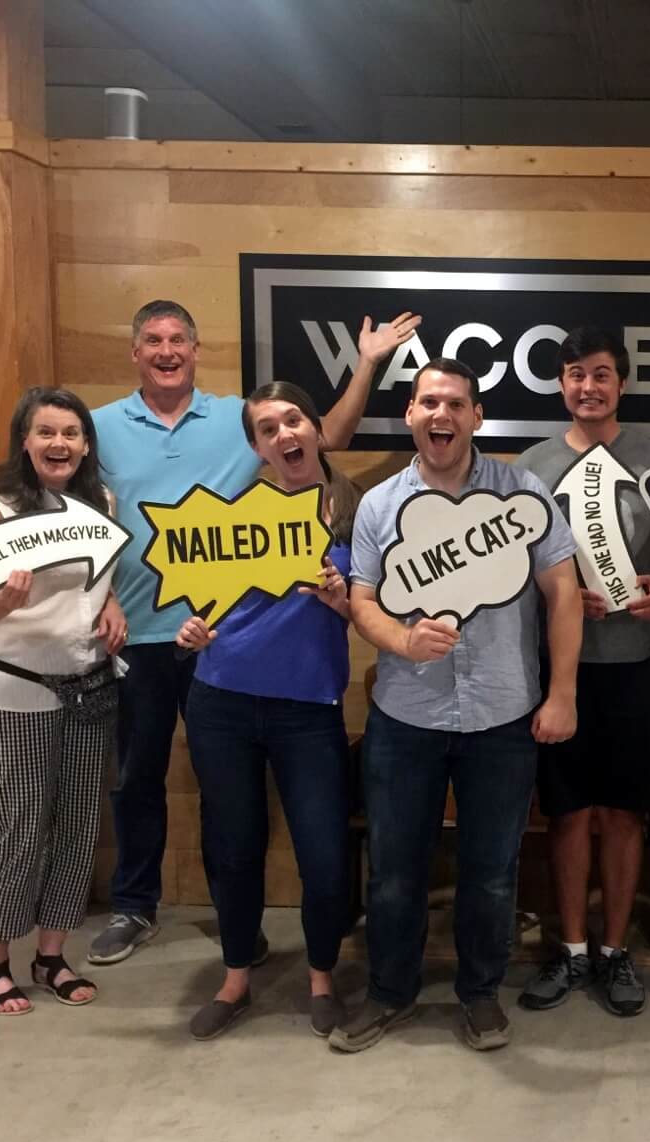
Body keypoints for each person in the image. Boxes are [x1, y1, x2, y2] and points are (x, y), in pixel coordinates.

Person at [81, 300, 419, 965]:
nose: (167, 350)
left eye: (178, 338)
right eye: (153, 340)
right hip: (138, 629)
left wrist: (367, 365)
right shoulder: (100, 426)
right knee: (136, 775)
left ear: (196, 348)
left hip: (225, 644)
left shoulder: (241, 418)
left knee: (228, 804)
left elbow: (326, 436)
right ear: (135, 351)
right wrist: (104, 594)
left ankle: (239, 927)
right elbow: (83, 513)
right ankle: (134, 904)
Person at [331, 357, 582, 1054]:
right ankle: (389, 992)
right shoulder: (380, 504)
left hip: (503, 716)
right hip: (405, 716)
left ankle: (480, 994)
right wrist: (402, 641)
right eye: (428, 403)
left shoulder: (522, 492)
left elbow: (563, 592)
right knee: (394, 872)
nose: (441, 414)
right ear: (410, 415)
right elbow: (362, 600)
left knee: (492, 873)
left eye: (455, 404)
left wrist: (563, 693)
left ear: (476, 417)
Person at [172, 382, 359, 1040]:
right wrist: (191, 630)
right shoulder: (234, 512)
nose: (284, 434)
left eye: (293, 420)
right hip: (221, 699)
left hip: (308, 709)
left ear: (316, 430)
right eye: (267, 428)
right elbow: (204, 601)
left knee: (325, 854)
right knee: (233, 849)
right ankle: (235, 978)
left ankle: (321, 977)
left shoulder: (356, 513)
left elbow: (376, 613)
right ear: (257, 447)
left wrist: (342, 600)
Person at [514, 327, 650, 1018]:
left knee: (623, 812)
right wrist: (553, 594)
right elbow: (512, 566)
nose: (589, 386)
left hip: (634, 667)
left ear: (622, 383)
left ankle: (615, 950)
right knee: (568, 813)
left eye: (602, 374)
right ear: (561, 384)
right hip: (560, 670)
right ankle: (573, 949)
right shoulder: (531, 466)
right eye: (576, 374)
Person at [0, 387, 127, 1015]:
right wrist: (4, 599)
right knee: (19, 829)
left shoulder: (101, 501)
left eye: (71, 433)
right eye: (47, 432)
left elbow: (95, 583)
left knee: (78, 826)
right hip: (15, 690)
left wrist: (113, 605)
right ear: (24, 442)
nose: (60, 444)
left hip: (89, 682)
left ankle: (51, 954)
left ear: (86, 444)